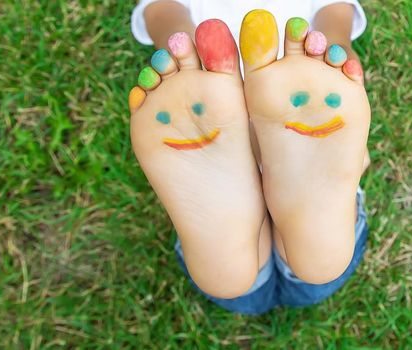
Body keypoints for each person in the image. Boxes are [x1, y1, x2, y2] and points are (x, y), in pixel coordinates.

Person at [126, 1, 372, 314]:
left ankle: (232, 248)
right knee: (309, 248)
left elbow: (164, 15)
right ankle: (309, 236)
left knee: (247, 246)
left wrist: (196, 70)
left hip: (226, 127)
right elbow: (336, 21)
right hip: (287, 120)